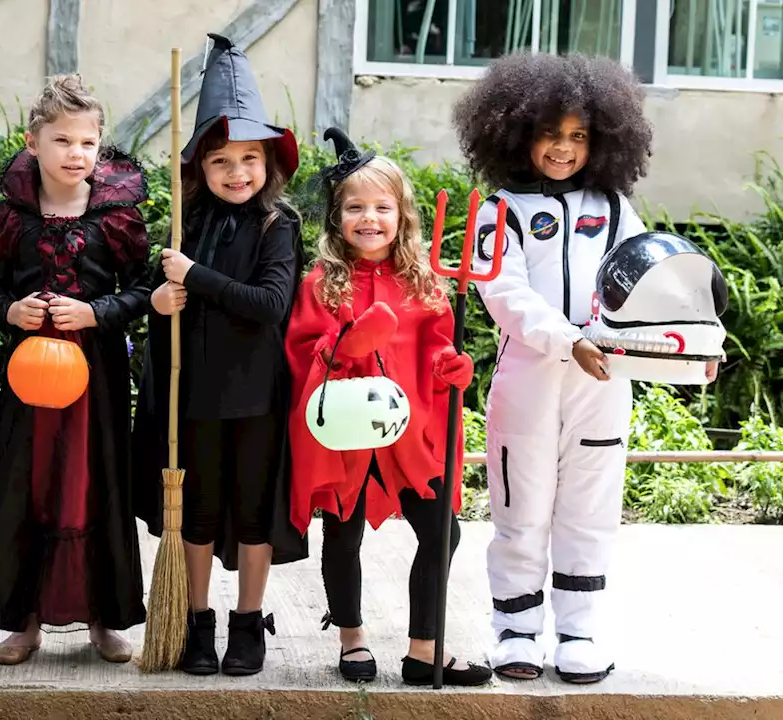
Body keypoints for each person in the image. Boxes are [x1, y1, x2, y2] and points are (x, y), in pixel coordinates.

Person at [452, 52, 704, 683]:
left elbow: (656, 290)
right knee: (522, 509)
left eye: (579, 136)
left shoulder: (617, 210)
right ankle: (515, 628)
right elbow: (504, 295)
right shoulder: (499, 211)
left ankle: (579, 630)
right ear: (516, 132)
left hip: (603, 384)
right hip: (528, 384)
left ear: (603, 140)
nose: (563, 148)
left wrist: (693, 348)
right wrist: (570, 341)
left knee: (589, 509)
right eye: (549, 133)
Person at [284, 128, 492, 687]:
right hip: (350, 433)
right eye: (355, 207)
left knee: (442, 532)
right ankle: (351, 639)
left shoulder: (425, 284)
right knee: (344, 533)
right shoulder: (322, 284)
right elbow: (304, 353)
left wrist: (454, 369)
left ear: (402, 216)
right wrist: (342, 347)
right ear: (336, 217)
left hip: (409, 433)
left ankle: (424, 650)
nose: (368, 218)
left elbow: (437, 350)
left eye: (382, 206)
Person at [132, 33, 308, 678]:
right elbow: (169, 319)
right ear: (199, 171)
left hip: (257, 396)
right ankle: (198, 622)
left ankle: (247, 622)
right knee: (198, 514)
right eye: (221, 162)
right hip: (196, 396)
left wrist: (195, 277)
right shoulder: (187, 224)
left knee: (254, 510)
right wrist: (162, 302)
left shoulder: (277, 225)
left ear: (269, 165)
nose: (237, 173)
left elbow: (268, 304)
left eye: (250, 160)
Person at [0, 74, 150, 666]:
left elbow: (143, 290)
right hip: (28, 377)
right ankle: (23, 621)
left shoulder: (117, 217)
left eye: (87, 143)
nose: (75, 154)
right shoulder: (10, 216)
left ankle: (104, 616)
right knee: (29, 484)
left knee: (94, 482)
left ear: (100, 146)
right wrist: (10, 311)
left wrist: (96, 312)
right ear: (33, 142)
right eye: (62, 141)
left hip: (94, 373)